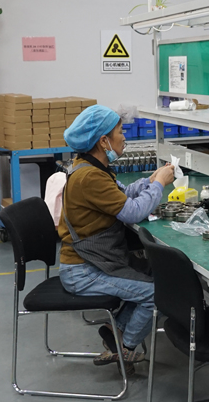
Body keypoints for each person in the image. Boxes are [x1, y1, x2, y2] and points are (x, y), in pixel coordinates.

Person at [58, 105, 175, 375]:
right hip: (83, 271)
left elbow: (123, 194)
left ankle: (115, 331)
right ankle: (125, 347)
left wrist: (151, 180)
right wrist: (159, 185)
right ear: (104, 141)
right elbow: (132, 211)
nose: (125, 138)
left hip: (94, 261)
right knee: (160, 293)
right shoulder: (89, 177)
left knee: (152, 272)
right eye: (120, 132)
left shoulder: (90, 167)